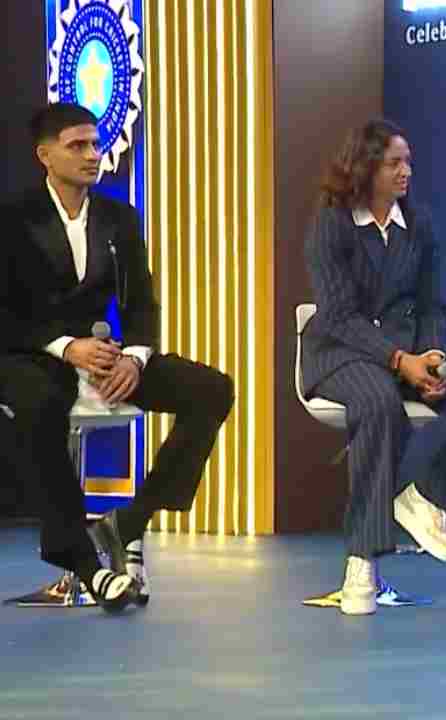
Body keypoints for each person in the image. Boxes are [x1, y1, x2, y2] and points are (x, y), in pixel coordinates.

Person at [0, 103, 234, 613]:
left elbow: (140, 304)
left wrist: (135, 357)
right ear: (45, 155)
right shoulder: (13, 219)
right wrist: (66, 347)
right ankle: (85, 565)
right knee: (40, 404)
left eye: (94, 144)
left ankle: (131, 519)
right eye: (77, 146)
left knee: (212, 388)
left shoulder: (119, 218)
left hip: (107, 357)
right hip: (32, 354)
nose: (92, 154)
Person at [301, 119, 446, 615]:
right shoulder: (332, 223)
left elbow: (432, 305)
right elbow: (338, 315)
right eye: (394, 163)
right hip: (342, 352)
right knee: (378, 402)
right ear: (365, 167)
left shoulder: (418, 224)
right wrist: (400, 361)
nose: (406, 171)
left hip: (410, 354)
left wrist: (434, 356)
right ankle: (362, 561)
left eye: (408, 161)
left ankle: (428, 497)